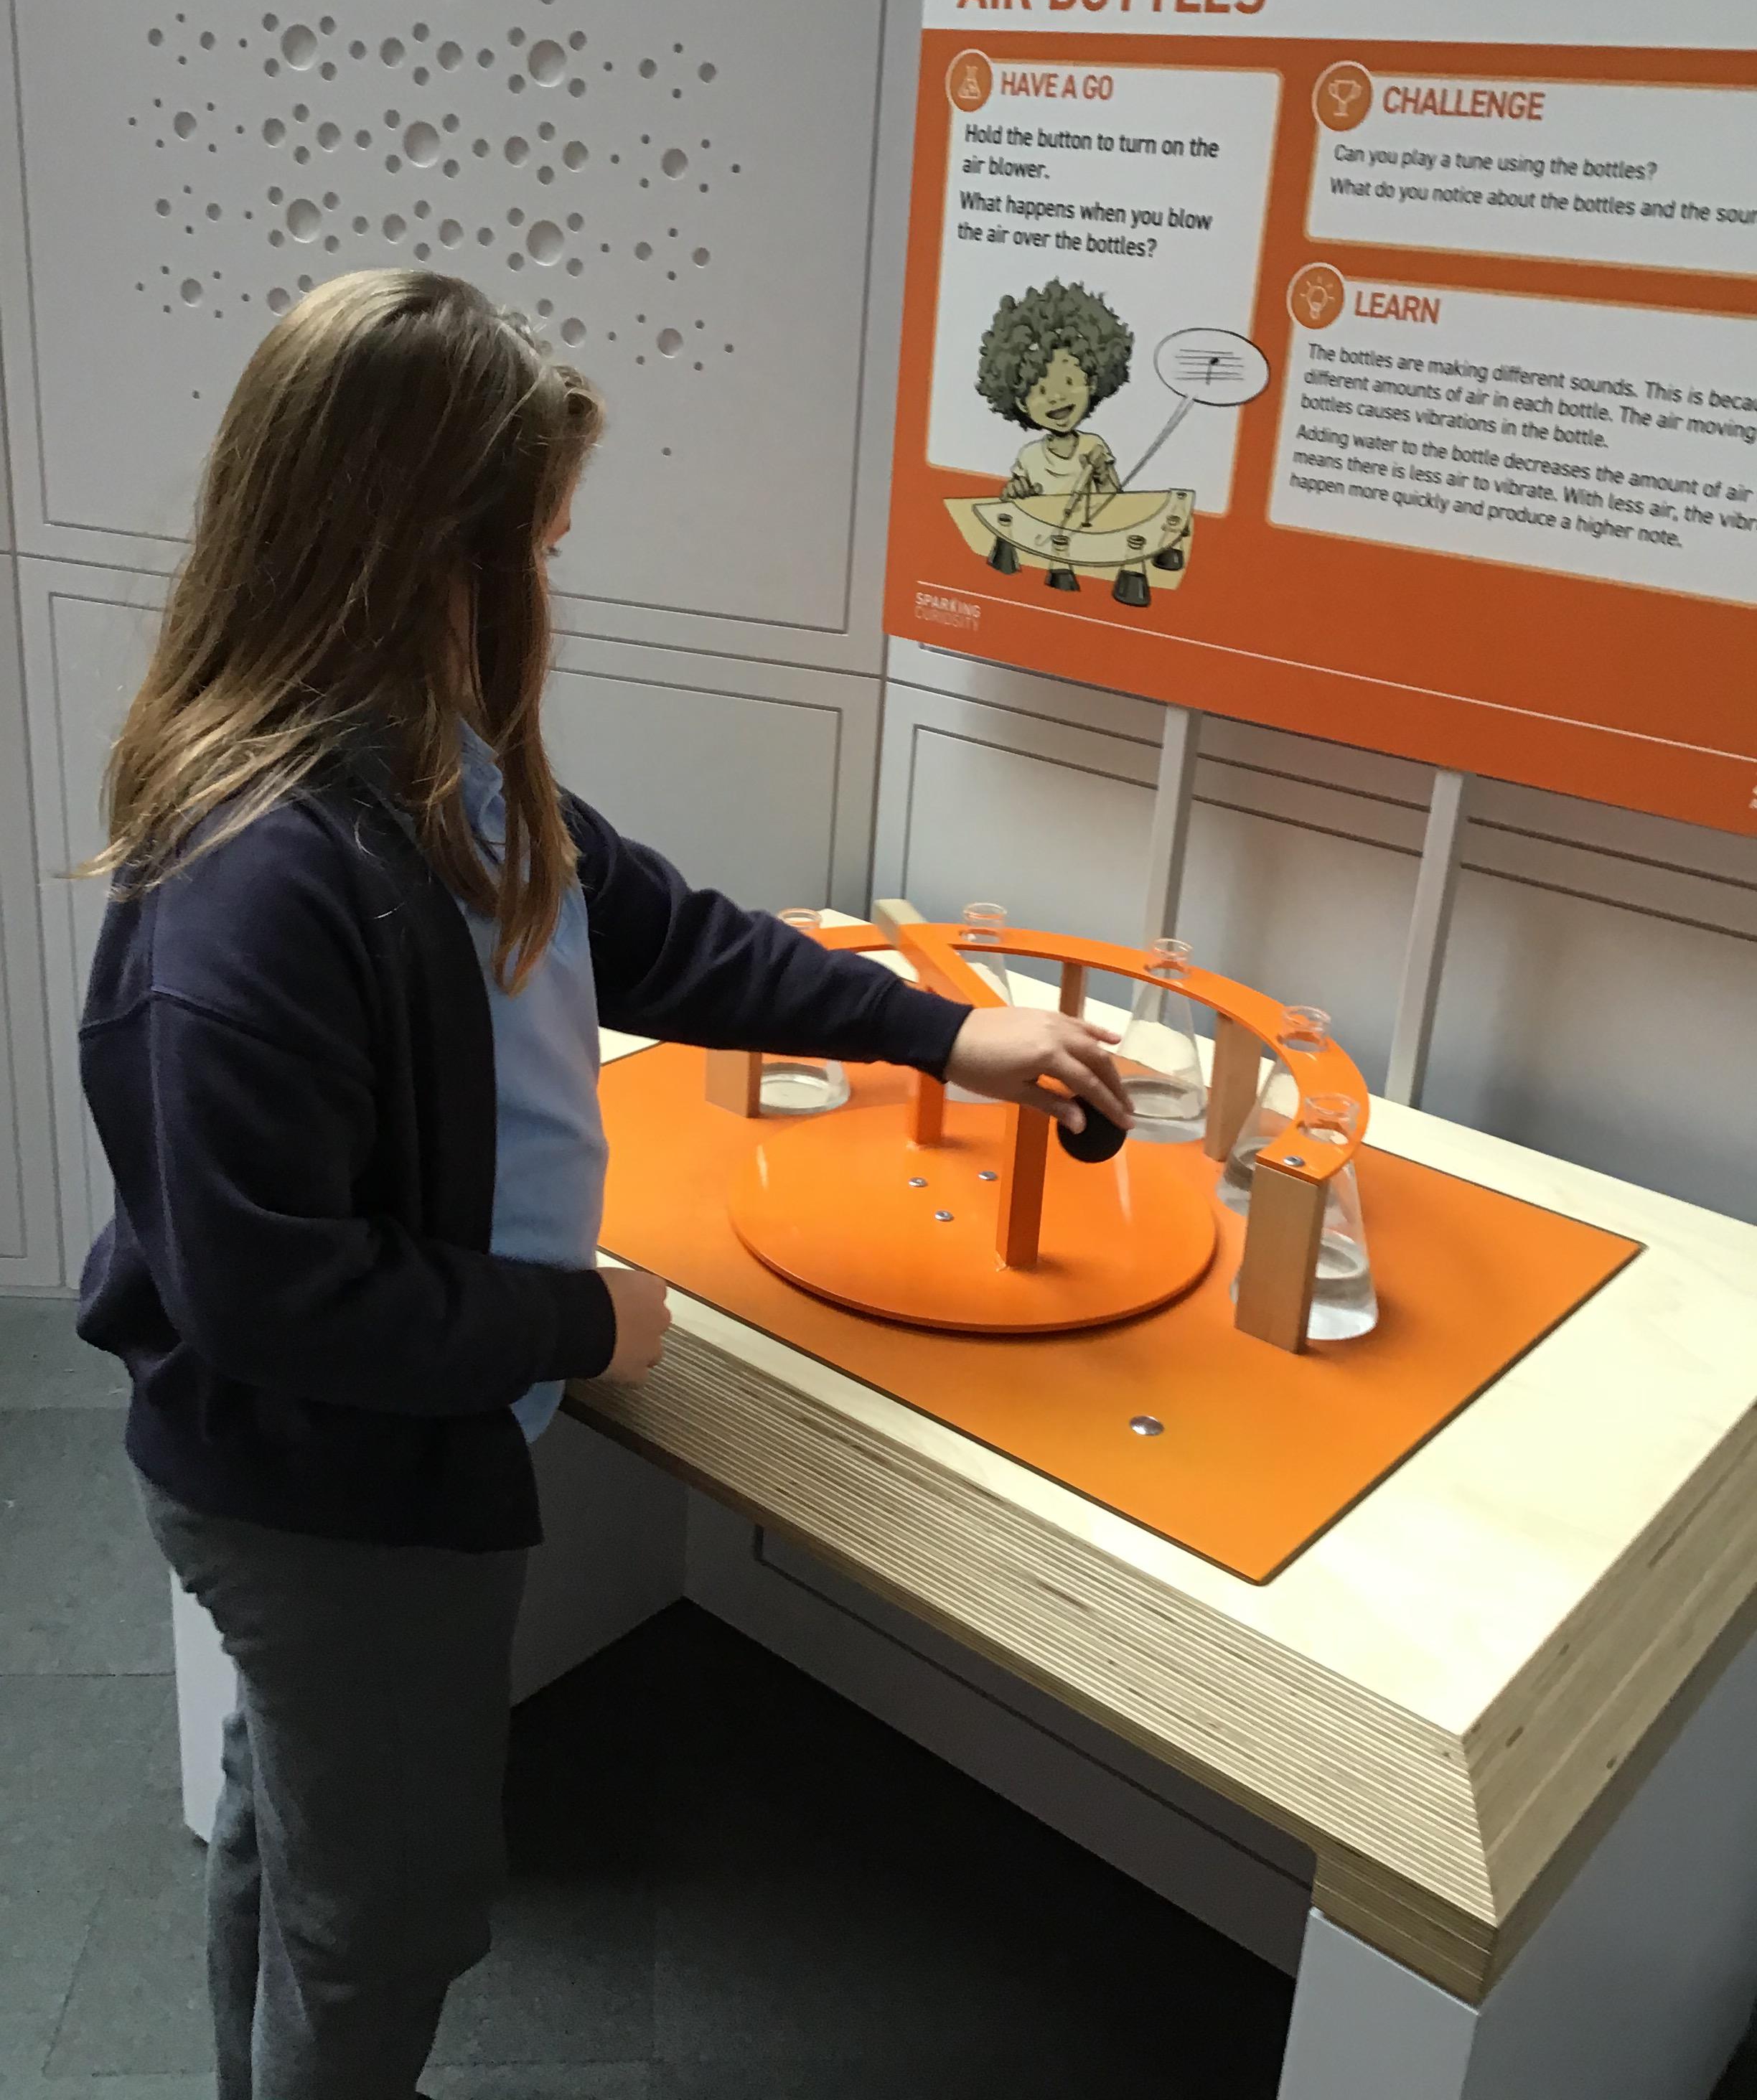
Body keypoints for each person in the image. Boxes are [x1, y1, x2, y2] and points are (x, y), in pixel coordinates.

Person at [74, 269, 1130, 2100]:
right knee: (383, 1911)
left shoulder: (441, 768)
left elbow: (664, 935)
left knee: (301, 1827)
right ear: (433, 560)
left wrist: (946, 1033)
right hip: (338, 1495)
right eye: (542, 549)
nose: (552, 589)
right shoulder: (260, 882)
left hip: (387, 1456)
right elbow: (274, 1292)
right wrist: (580, 1321)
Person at [975, 278, 1135, 511]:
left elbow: (1115, 504)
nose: (1057, 398)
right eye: (1042, 391)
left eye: (1069, 382)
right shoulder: (1029, 457)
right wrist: (1016, 492)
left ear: (1091, 382)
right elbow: (1019, 506)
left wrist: (1102, 476)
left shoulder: (1094, 446)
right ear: (1021, 402)